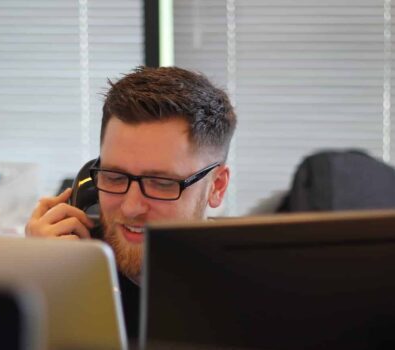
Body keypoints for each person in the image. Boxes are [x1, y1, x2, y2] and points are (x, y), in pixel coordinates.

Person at [25, 66, 237, 338]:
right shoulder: (65, 270)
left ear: (216, 186)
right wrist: (35, 282)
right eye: (114, 177)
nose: (130, 207)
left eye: (161, 183)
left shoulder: (253, 297)